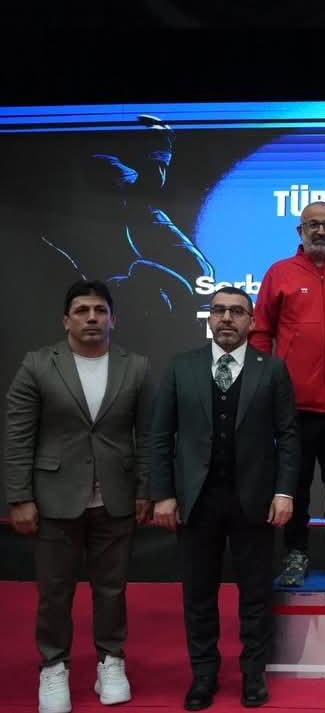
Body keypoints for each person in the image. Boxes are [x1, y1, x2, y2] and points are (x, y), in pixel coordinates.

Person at [3, 280, 153, 713]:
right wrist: (19, 497)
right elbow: (18, 435)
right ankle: (53, 667)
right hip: (53, 498)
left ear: (113, 319)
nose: (92, 318)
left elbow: (148, 436)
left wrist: (145, 490)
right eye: (83, 310)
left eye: (100, 311)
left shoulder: (136, 367)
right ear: (65, 319)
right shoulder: (37, 365)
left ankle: (111, 661)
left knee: (112, 590)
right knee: (54, 593)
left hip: (116, 498)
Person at [150, 286, 299, 710]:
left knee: (255, 593)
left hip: (254, 500)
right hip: (196, 501)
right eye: (219, 311)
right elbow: (160, 436)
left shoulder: (272, 370)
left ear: (252, 321)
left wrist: (284, 491)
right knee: (198, 594)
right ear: (209, 318)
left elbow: (288, 436)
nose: (227, 318)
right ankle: (204, 675)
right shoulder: (181, 367)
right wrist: (162, 494)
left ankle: (253, 674)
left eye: (237, 311)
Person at [250, 201, 325, 586]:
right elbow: (261, 332)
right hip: (292, 404)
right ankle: (296, 553)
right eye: (312, 224)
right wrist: (265, 380)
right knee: (294, 483)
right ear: (299, 231)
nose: (320, 231)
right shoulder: (279, 273)